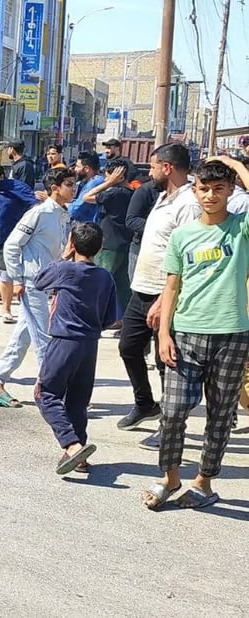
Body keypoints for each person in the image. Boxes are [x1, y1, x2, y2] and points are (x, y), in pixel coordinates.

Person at [143, 158, 249, 510]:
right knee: (173, 411)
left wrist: (231, 162)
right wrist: (163, 336)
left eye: (219, 189)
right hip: (186, 334)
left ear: (231, 191)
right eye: (204, 188)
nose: (210, 195)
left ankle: (203, 481)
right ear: (194, 190)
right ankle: (170, 477)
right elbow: (171, 287)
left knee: (220, 414)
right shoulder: (183, 235)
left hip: (233, 335)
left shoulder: (240, 228)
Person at [117, 143, 201, 436]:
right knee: (128, 347)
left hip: (163, 294)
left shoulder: (189, 204)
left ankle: (170, 425)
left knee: (166, 360)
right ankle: (145, 404)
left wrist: (164, 301)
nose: (149, 172)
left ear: (167, 168)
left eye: (153, 166)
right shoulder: (165, 197)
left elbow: (186, 260)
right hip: (142, 289)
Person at [0, 167, 74, 408]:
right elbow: (13, 245)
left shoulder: (62, 215)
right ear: (54, 188)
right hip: (33, 283)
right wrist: (18, 279)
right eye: (68, 184)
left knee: (23, 335)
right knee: (45, 338)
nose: (73, 188)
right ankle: (52, 392)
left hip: (47, 283)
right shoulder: (40, 213)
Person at [35, 222, 119, 475]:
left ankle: (71, 445)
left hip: (64, 340)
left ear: (72, 243)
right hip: (90, 343)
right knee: (77, 401)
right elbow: (110, 317)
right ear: (100, 246)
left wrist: (63, 255)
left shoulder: (64, 269)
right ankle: (80, 455)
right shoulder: (105, 276)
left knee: (45, 394)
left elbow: (39, 281)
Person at [0, 165, 39, 324]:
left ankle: (6, 309)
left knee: (6, 274)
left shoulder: (16, 187)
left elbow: (34, 204)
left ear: (2, 177)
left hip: (9, 238)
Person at [82, 161, 134, 323]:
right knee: (122, 286)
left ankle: (95, 318)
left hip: (109, 245)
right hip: (125, 243)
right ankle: (124, 321)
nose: (105, 180)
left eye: (108, 176)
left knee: (100, 282)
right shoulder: (131, 192)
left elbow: (87, 197)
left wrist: (110, 183)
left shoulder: (115, 192)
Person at [125, 179, 161, 281]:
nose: (150, 173)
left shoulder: (184, 193)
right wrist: (160, 227)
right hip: (141, 250)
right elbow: (131, 220)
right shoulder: (145, 191)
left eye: (153, 168)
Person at [68, 152, 104, 223]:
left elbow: (74, 211)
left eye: (78, 166)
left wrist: (62, 202)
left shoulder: (94, 183)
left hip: (88, 227)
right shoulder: (85, 182)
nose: (75, 169)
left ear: (87, 169)